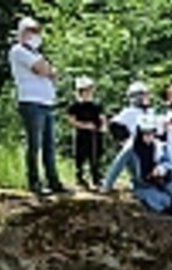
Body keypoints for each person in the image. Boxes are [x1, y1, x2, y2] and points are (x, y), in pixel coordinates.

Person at [9, 16, 68, 197]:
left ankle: (54, 181)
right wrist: (48, 71)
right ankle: (34, 182)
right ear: (22, 33)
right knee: (35, 144)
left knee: (49, 145)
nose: (35, 35)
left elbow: (52, 72)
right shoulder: (18, 50)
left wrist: (48, 70)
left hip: (46, 103)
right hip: (31, 102)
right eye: (31, 31)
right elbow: (42, 70)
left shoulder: (36, 53)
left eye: (37, 31)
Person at [101, 114, 172, 220]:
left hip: (159, 181)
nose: (149, 137)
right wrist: (107, 186)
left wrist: (162, 168)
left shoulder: (158, 146)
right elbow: (116, 166)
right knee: (160, 200)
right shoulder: (130, 149)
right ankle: (168, 211)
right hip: (142, 185)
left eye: (151, 133)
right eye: (145, 133)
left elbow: (170, 163)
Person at [66, 76, 106, 190]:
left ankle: (96, 177)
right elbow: (71, 121)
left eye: (90, 89)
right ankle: (80, 178)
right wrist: (85, 126)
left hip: (95, 135)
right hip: (81, 136)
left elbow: (102, 118)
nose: (88, 92)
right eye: (85, 90)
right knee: (80, 157)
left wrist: (103, 127)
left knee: (96, 156)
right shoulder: (75, 106)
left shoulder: (97, 105)